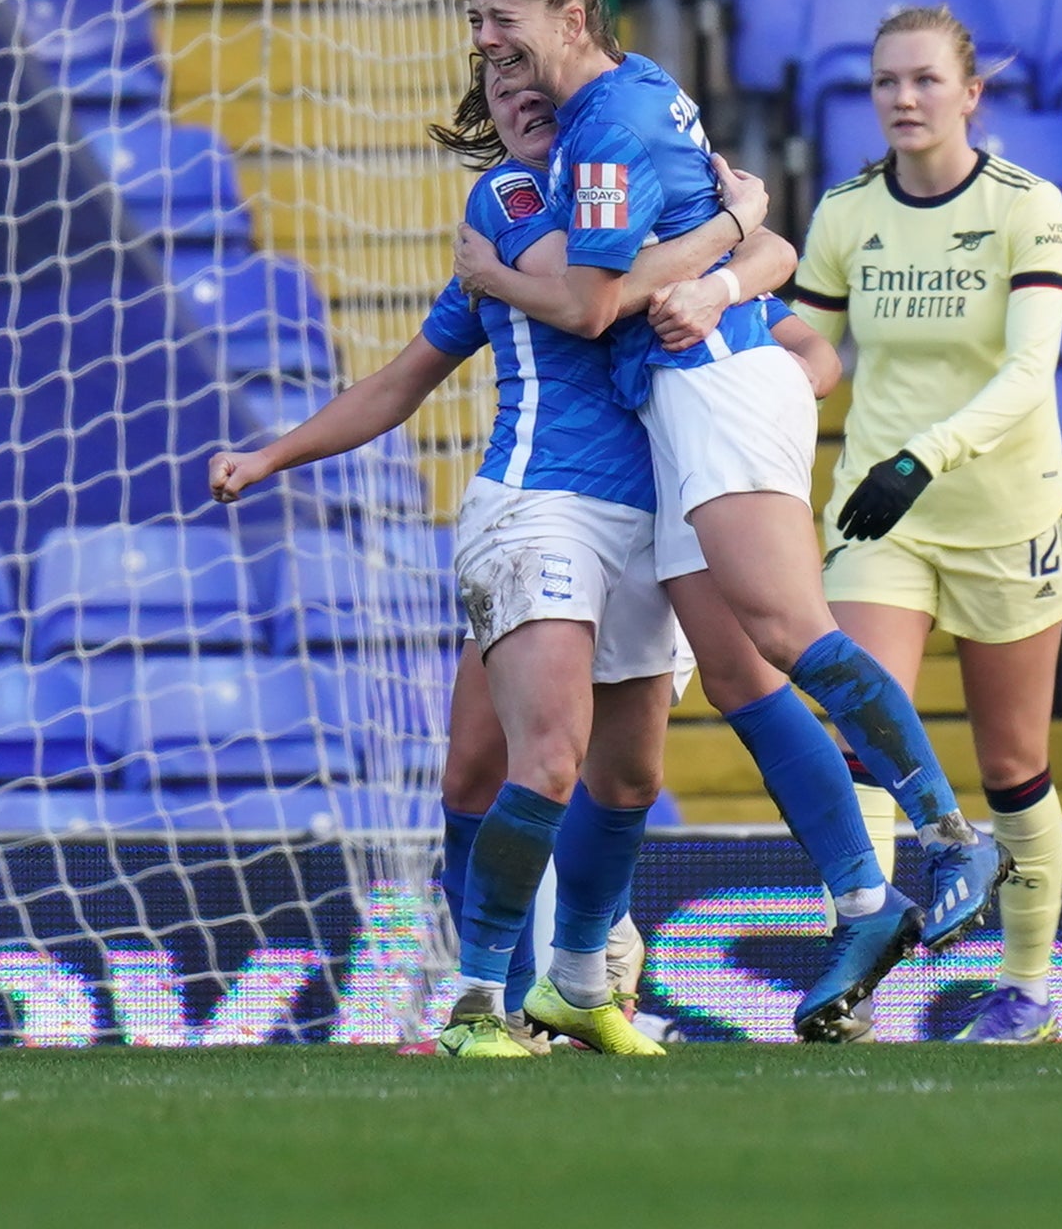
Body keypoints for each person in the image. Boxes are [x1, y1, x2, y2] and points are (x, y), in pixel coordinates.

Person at [443, 0, 1010, 1025]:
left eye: (498, 22)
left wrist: (510, 275)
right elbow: (754, 249)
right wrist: (735, 236)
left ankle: (949, 834)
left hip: (707, 394)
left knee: (789, 634)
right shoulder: (643, 92)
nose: (483, 44)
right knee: (753, 681)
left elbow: (594, 308)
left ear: (569, 17)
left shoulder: (602, 132)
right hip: (690, 404)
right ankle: (863, 909)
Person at [211, 56, 796, 1058]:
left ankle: (568, 990)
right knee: (523, 761)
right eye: (500, 92)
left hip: (647, 521)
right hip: (539, 510)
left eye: (540, 92)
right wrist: (272, 454)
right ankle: (490, 997)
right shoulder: (514, 207)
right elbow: (424, 371)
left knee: (620, 774)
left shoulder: (634, 200)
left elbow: (776, 307)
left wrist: (758, 291)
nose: (524, 103)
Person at [787, 5, 1062, 1044]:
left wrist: (928, 457)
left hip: (1004, 511)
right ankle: (857, 960)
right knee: (863, 736)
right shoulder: (845, 212)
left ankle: (1027, 993)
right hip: (880, 512)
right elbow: (814, 352)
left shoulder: (1026, 208)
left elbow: (1027, 370)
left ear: (969, 94)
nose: (903, 100)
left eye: (922, 81)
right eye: (884, 84)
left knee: (1012, 767)